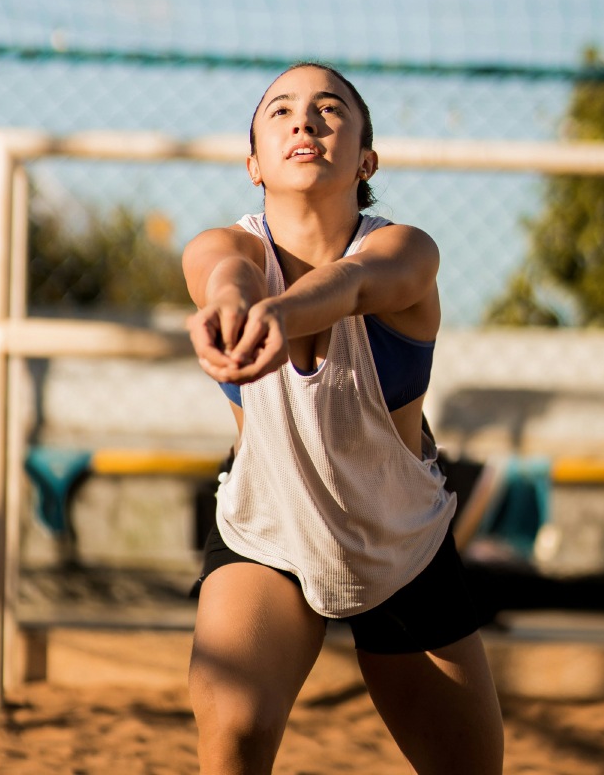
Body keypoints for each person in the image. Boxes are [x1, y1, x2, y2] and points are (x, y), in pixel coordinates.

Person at [183, 62, 504, 775]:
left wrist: (279, 314)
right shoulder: (226, 249)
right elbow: (222, 271)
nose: (305, 121)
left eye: (330, 109)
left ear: (367, 159)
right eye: (282, 112)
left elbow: (360, 282)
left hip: (401, 546)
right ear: (253, 163)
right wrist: (234, 306)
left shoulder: (406, 250)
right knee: (233, 730)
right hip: (270, 534)